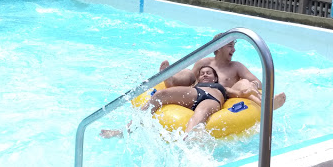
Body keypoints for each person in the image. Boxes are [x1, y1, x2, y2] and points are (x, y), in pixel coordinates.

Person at [100, 65, 253, 138]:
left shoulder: (222, 88)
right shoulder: (195, 86)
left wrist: (248, 90)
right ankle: (124, 130)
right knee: (161, 95)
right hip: (196, 93)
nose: (205, 75)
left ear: (215, 78)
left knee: (201, 113)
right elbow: (175, 89)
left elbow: (239, 93)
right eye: (202, 73)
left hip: (213, 99)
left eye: (209, 73)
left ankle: (187, 140)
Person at [161, 33, 286, 110]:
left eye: (233, 46)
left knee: (246, 83)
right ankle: (171, 80)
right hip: (201, 94)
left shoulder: (236, 67)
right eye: (230, 46)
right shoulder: (204, 63)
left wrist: (253, 85)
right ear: (219, 47)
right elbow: (193, 82)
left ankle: (266, 104)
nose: (234, 50)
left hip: (225, 97)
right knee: (188, 72)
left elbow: (257, 82)